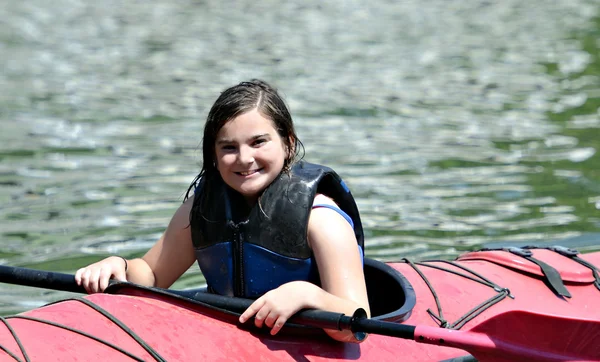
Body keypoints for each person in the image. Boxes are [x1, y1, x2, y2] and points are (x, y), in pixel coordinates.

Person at [75, 79, 370, 342]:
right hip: (226, 337)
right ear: (213, 155)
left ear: (288, 143)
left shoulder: (321, 219)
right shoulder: (201, 210)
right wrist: (120, 267)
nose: (244, 158)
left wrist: (306, 295)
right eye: (228, 147)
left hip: (304, 341)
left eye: (259, 142)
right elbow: (152, 275)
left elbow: (357, 327)